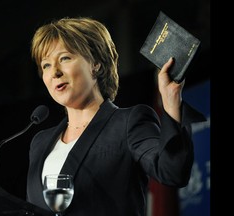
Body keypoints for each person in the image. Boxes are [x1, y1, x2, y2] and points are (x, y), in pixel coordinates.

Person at [26, 17, 206, 216]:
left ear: (96, 64)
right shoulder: (40, 142)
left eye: (65, 58)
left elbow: (172, 172)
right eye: (46, 65)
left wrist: (171, 99)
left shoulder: (128, 123)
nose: (55, 72)